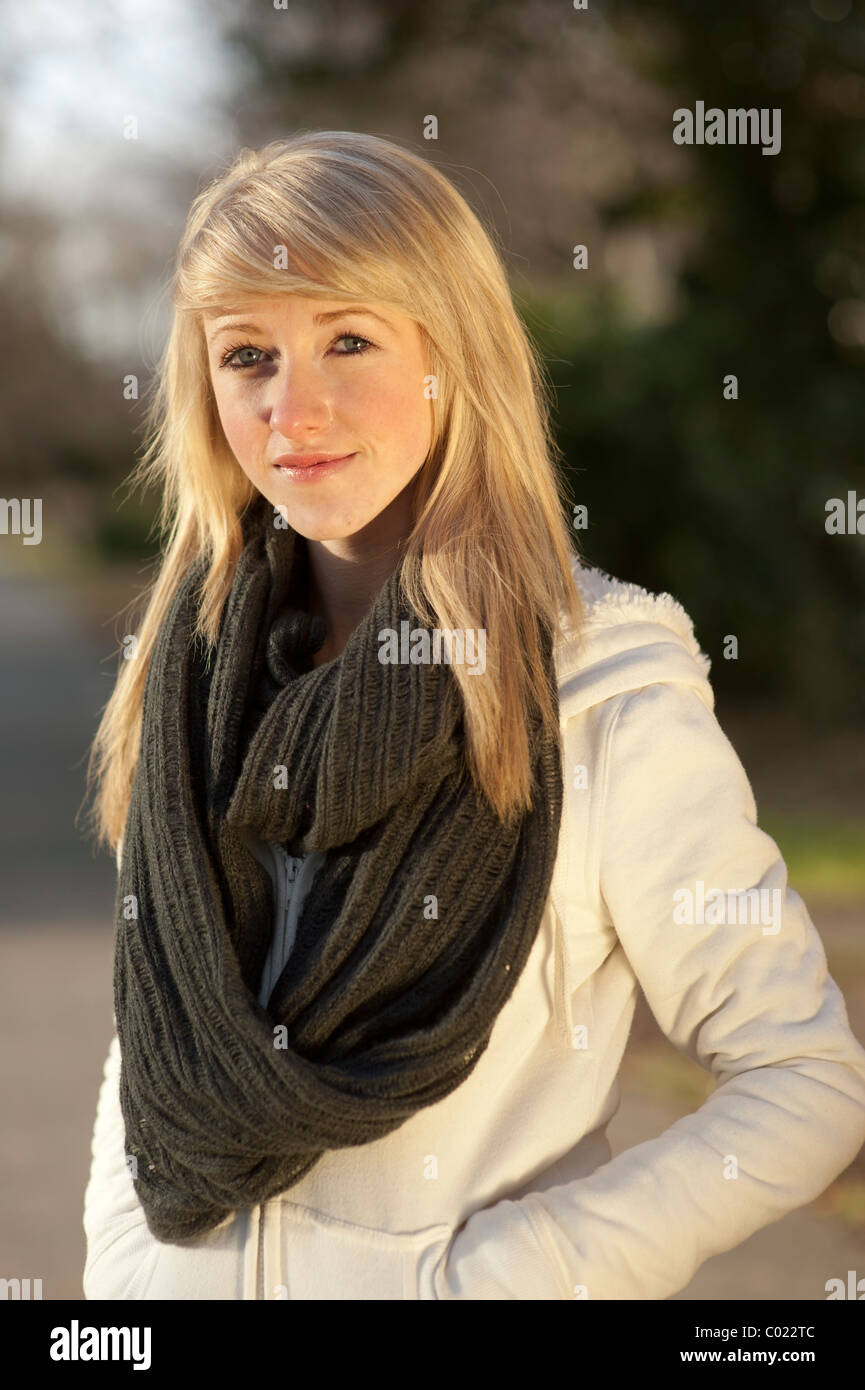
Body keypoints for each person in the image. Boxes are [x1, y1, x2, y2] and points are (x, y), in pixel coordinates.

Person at [81, 130, 865, 1301]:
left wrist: (508, 1279)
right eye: (248, 355)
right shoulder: (193, 670)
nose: (294, 406)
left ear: (456, 354)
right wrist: (132, 1275)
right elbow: (164, 1014)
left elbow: (804, 1079)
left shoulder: (598, 685)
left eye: (349, 338)